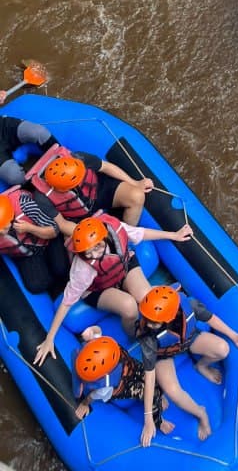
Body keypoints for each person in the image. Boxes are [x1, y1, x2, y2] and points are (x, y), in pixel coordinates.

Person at [33, 213, 194, 369]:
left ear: (105, 237)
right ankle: (134, 335)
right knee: (129, 307)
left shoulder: (115, 228)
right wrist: (50, 337)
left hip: (122, 268)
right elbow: (67, 302)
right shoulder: (83, 268)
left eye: (98, 247)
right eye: (88, 253)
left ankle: (158, 318)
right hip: (98, 287)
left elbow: (141, 233)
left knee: (147, 298)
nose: (95, 255)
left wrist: (173, 235)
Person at [132, 284, 238, 444]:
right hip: (163, 355)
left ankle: (201, 366)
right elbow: (149, 375)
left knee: (223, 349)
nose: (149, 323)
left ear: (170, 317)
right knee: (172, 391)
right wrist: (148, 418)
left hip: (188, 341)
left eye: (154, 322)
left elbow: (211, 318)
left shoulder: (189, 305)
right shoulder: (148, 337)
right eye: (148, 319)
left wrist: (235, 336)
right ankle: (201, 413)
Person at [73, 330, 174, 445]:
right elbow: (91, 396)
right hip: (124, 386)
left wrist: (91, 331)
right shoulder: (103, 388)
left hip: (131, 366)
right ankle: (158, 421)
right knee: (150, 394)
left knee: (151, 378)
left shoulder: (99, 344)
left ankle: (160, 394)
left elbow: (97, 331)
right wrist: (84, 403)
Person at [26, 144, 154, 226]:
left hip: (99, 189)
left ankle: (128, 234)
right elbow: (62, 224)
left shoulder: (78, 158)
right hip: (77, 215)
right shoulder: (42, 196)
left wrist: (134, 183)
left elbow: (106, 167)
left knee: (137, 196)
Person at [0, 186, 71, 294]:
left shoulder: (26, 206)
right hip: (26, 252)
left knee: (61, 269)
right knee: (37, 285)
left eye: (3, 229)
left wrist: (30, 228)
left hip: (48, 240)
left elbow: (54, 230)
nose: (2, 234)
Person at [0, 114, 55, 186]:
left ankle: (64, 158)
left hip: (3, 126)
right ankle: (35, 186)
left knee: (39, 132)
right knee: (14, 176)